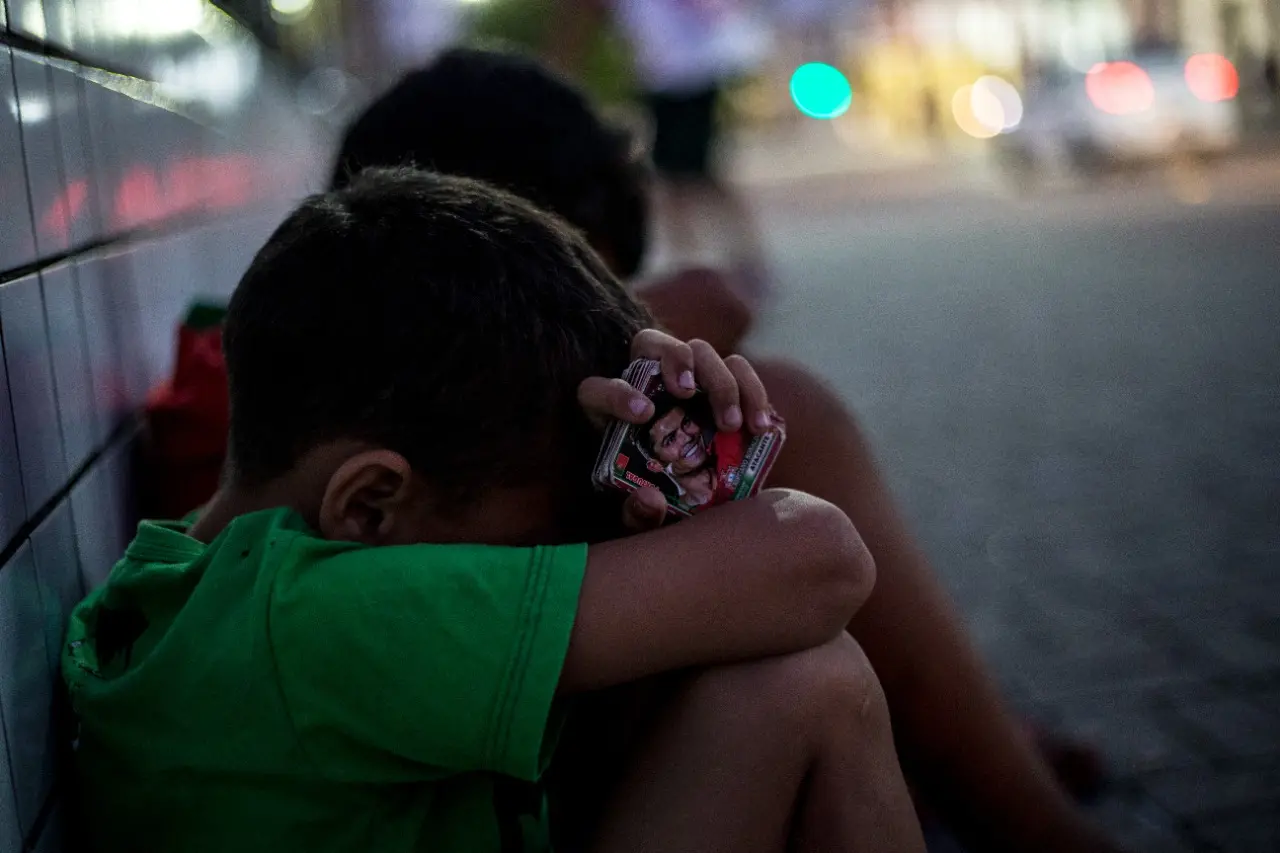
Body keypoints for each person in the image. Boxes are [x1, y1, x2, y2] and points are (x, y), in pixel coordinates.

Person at [329, 49, 1118, 853]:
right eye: (580, 287)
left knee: (798, 644)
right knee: (787, 446)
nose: (610, 339)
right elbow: (815, 551)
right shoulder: (338, 555)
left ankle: (978, 759)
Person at [63, 168, 925, 853]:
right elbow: (823, 559)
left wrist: (658, 493)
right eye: (537, 547)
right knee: (807, 683)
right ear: (370, 504)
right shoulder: (323, 620)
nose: (555, 558)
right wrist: (709, 477)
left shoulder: (197, 586)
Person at [547, 0, 773, 306]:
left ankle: (715, 264)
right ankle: (703, 264)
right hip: (668, 73)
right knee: (682, 174)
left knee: (690, 174)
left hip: (688, 71)